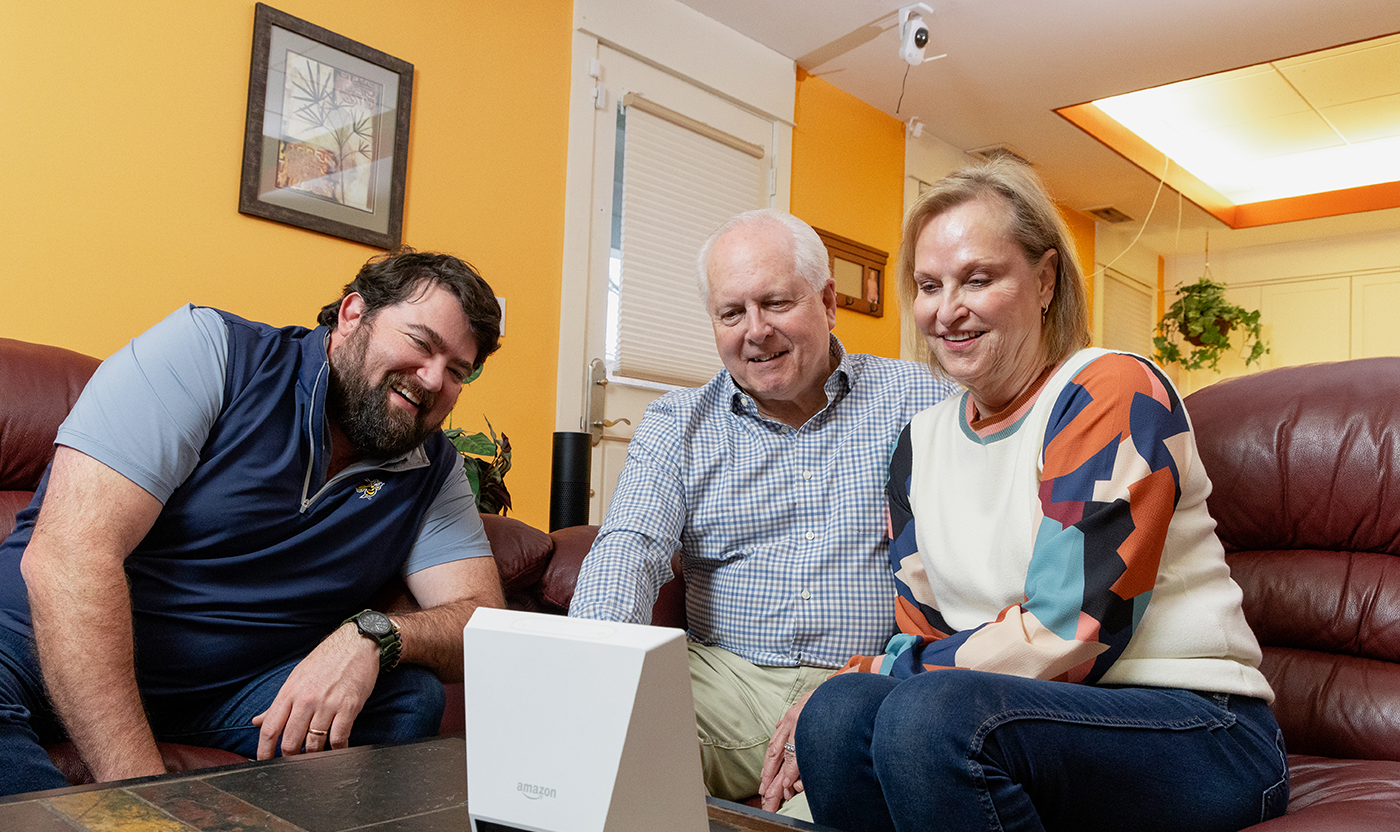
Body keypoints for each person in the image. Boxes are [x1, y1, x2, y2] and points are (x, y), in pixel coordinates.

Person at [791, 160, 1289, 832]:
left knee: (929, 715)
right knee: (837, 712)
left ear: (1046, 279)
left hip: (1199, 724)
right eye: (929, 285)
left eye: (978, 278)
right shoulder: (918, 443)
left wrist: (889, 665)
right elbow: (924, 625)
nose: (947, 309)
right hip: (1015, 718)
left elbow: (1071, 633)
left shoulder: (1112, 392)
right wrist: (874, 672)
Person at [0, 248, 508, 797]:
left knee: (409, 694)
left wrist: (373, 635)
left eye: (457, 371)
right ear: (354, 313)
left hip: (220, 693)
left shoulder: (433, 469)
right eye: (420, 343)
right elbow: (69, 557)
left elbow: (481, 622)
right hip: (29, 648)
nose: (434, 380)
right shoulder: (209, 352)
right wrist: (143, 798)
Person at [568, 210, 960, 815]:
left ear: (828, 302)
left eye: (776, 303)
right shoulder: (678, 424)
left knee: (834, 801)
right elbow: (630, 545)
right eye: (732, 313)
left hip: (868, 681)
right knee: (580, 753)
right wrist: (592, 657)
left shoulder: (925, 398)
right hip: (722, 681)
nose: (755, 331)